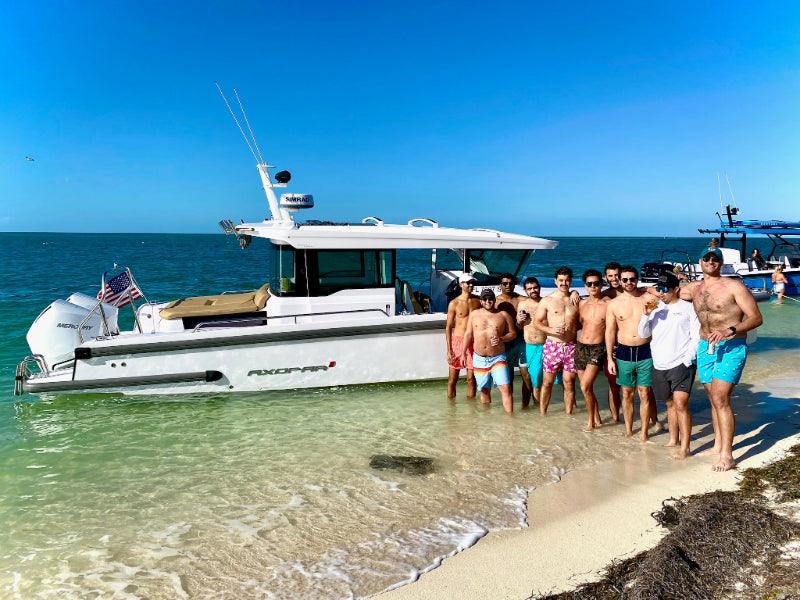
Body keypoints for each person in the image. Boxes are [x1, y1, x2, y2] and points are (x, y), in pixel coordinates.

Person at [679, 247, 763, 471]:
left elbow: (756, 318)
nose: (711, 261)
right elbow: (663, 293)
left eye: (715, 259)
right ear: (700, 262)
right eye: (706, 258)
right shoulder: (693, 289)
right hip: (705, 346)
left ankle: (728, 455)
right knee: (712, 397)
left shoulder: (733, 286)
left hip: (731, 345)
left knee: (720, 397)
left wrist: (732, 329)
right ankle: (717, 445)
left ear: (721, 263)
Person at [638, 272, 700, 459]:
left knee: (681, 403)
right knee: (669, 403)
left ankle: (686, 447)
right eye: (659, 289)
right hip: (659, 364)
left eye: (665, 289)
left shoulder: (688, 308)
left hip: (682, 362)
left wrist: (687, 359)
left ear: (676, 289)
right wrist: (645, 315)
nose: (661, 293)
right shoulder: (655, 309)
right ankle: (674, 439)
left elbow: (696, 336)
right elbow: (642, 333)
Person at [605, 265, 660, 441]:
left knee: (644, 392)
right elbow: (610, 332)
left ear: (637, 279)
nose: (629, 282)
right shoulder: (614, 304)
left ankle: (644, 432)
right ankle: (629, 429)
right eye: (625, 279)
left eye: (632, 279)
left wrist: (650, 288)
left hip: (646, 350)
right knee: (626, 393)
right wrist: (609, 359)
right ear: (620, 281)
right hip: (624, 352)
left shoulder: (648, 298)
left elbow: (665, 296)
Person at [462, 288, 517, 412]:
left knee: (506, 388)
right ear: (481, 301)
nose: (488, 301)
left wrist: (501, 339)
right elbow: (468, 334)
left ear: (494, 300)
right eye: (485, 299)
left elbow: (513, 334)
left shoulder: (503, 315)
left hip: (498, 357)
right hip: (479, 358)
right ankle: (486, 420)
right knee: (485, 390)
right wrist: (463, 354)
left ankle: (510, 421)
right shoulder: (474, 314)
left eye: (490, 299)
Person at [534, 266, 579, 415]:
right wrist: (550, 330)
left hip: (571, 346)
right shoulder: (547, 301)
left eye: (567, 280)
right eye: (561, 280)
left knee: (569, 383)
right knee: (547, 382)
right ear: (555, 281)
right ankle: (542, 414)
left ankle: (568, 416)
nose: (564, 283)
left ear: (571, 281)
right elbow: (537, 322)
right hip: (553, 345)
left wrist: (575, 292)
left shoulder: (576, 301)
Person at [576, 269, 608, 430]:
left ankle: (591, 422)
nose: (593, 286)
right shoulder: (582, 303)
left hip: (598, 348)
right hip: (581, 347)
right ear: (585, 286)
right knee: (586, 388)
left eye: (596, 283)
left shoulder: (608, 304)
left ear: (601, 285)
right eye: (590, 284)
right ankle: (597, 417)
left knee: (584, 386)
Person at [445, 273, 480, 398]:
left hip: (473, 342)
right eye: (468, 282)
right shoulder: (454, 303)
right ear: (461, 284)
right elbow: (448, 327)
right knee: (452, 380)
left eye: (472, 282)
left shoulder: (478, 300)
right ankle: (451, 412)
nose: (471, 284)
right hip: (458, 342)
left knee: (471, 379)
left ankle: (471, 412)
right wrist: (449, 350)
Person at [516, 277, 546, 407]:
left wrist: (575, 292)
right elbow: (518, 326)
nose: (533, 290)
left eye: (535, 287)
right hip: (530, 345)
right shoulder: (522, 304)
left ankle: (539, 408)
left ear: (539, 287)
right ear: (525, 290)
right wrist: (521, 320)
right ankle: (536, 407)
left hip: (545, 344)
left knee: (545, 379)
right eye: (529, 289)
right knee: (534, 378)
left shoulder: (546, 302)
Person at [496, 273, 525, 398]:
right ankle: (510, 406)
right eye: (504, 283)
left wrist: (574, 292)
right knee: (508, 376)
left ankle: (529, 404)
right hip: (505, 342)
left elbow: (540, 299)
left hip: (520, 339)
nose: (508, 285)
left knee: (526, 374)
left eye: (510, 283)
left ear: (514, 285)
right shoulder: (495, 301)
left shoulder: (521, 299)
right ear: (500, 285)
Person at [601, 262, 623, 421]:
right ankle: (616, 419)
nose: (614, 278)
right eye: (610, 276)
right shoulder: (603, 296)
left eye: (617, 275)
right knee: (613, 386)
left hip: (631, 345)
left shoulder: (633, 292)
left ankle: (652, 420)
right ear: (606, 278)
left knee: (641, 388)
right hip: (612, 346)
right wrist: (574, 291)